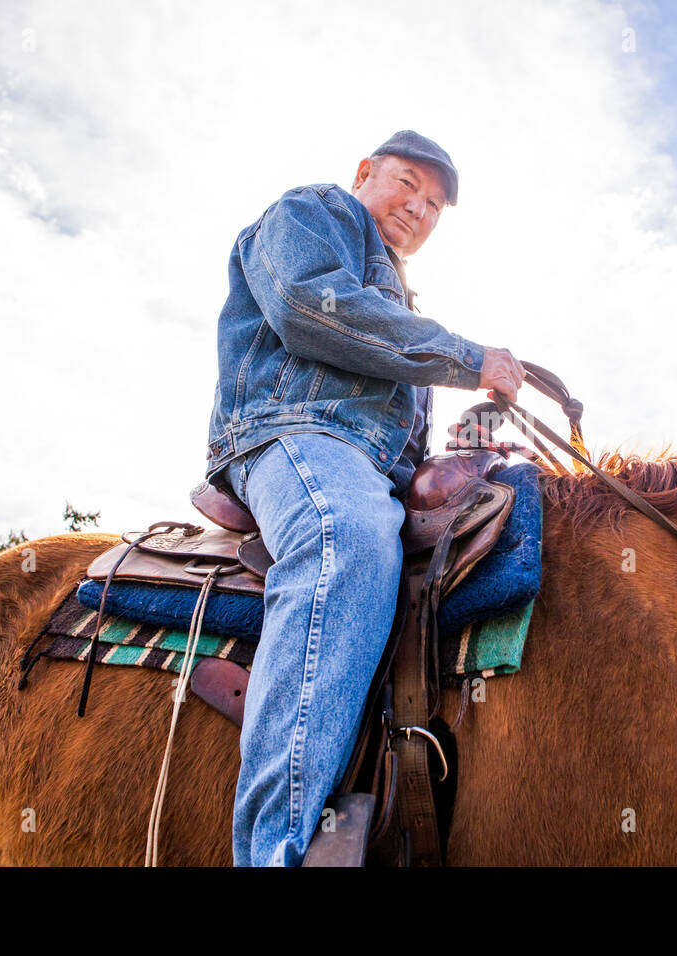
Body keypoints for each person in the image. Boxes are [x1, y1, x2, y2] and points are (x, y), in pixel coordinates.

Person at [204, 130, 525, 866]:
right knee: (346, 538)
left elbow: (408, 450)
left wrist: (476, 439)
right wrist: (467, 358)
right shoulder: (314, 213)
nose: (418, 207)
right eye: (407, 183)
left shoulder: (405, 304)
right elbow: (310, 306)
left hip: (370, 464)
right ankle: (275, 852)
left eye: (436, 203)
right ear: (363, 172)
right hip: (289, 435)